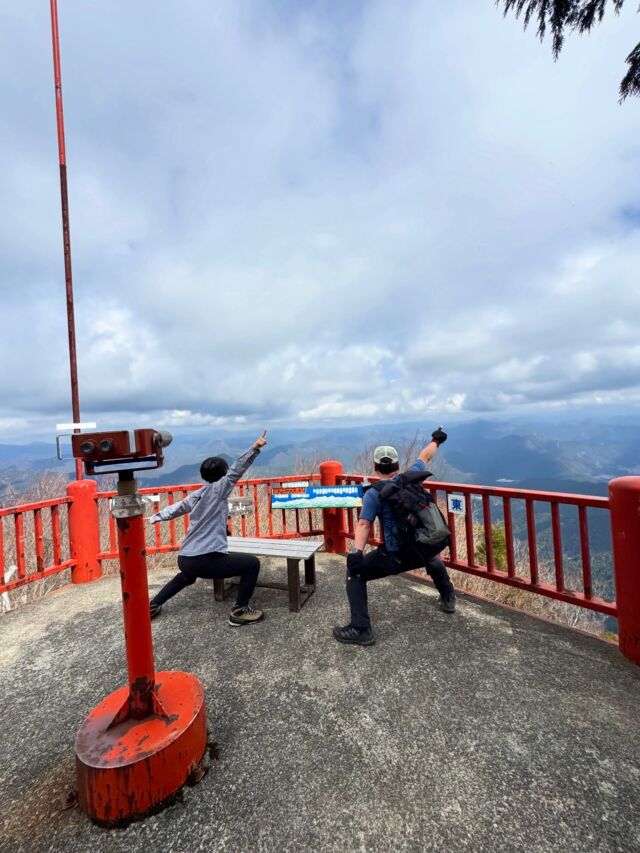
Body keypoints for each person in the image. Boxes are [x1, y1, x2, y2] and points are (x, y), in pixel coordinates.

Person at [333, 428, 456, 646]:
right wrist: (437, 440)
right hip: (420, 549)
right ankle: (448, 598)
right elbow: (424, 456)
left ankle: (361, 629)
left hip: (394, 556)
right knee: (432, 556)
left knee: (355, 574)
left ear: (375, 467)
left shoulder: (374, 493)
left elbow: (364, 524)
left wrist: (356, 553)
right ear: (398, 467)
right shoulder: (411, 478)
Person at [148, 430, 268, 626]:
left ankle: (152, 605)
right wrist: (254, 449)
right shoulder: (219, 490)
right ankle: (240, 610)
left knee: (186, 577)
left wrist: (155, 517)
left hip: (186, 558)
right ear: (222, 475)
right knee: (252, 564)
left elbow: (176, 509)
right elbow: (237, 470)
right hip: (204, 560)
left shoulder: (197, 495)